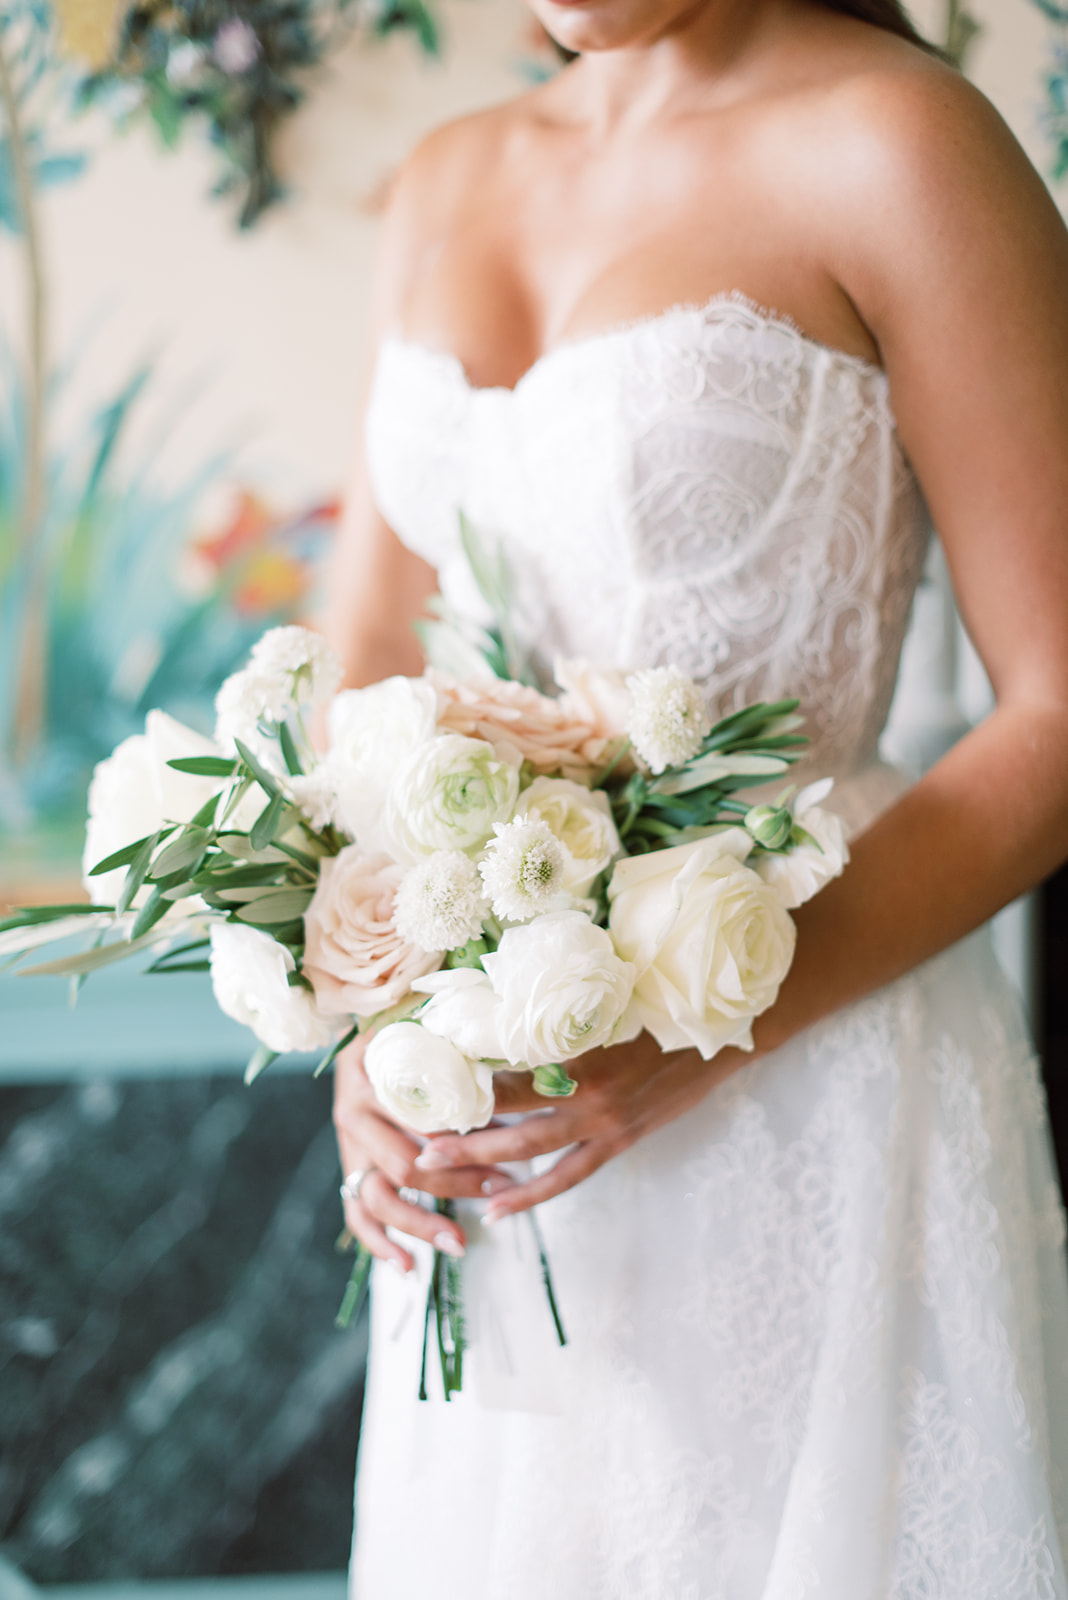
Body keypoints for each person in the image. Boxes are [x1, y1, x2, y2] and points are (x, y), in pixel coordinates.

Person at [325, 0, 1068, 1591]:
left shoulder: (901, 140)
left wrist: (696, 1030)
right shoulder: (445, 177)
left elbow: (1064, 710)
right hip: (501, 1150)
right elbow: (370, 654)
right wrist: (368, 1026)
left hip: (814, 1081)